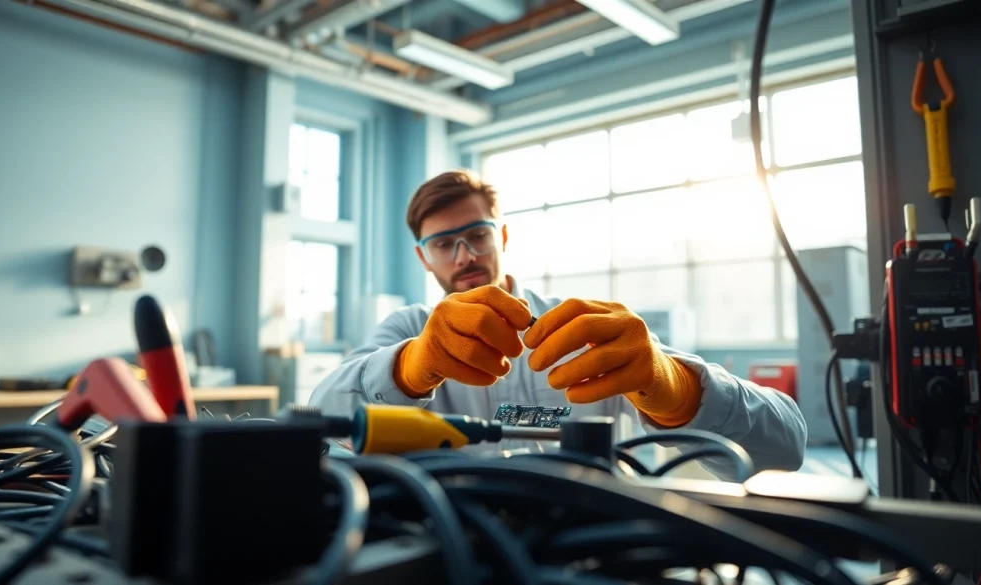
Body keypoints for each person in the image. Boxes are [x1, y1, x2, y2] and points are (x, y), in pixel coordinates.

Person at [309, 170, 806, 480]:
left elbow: (786, 448)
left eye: (477, 235)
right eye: (443, 244)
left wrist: (677, 388)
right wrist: (406, 369)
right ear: (424, 257)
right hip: (455, 547)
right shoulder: (406, 331)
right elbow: (320, 420)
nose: (464, 257)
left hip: (589, 545)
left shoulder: (586, 328)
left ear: (501, 235)